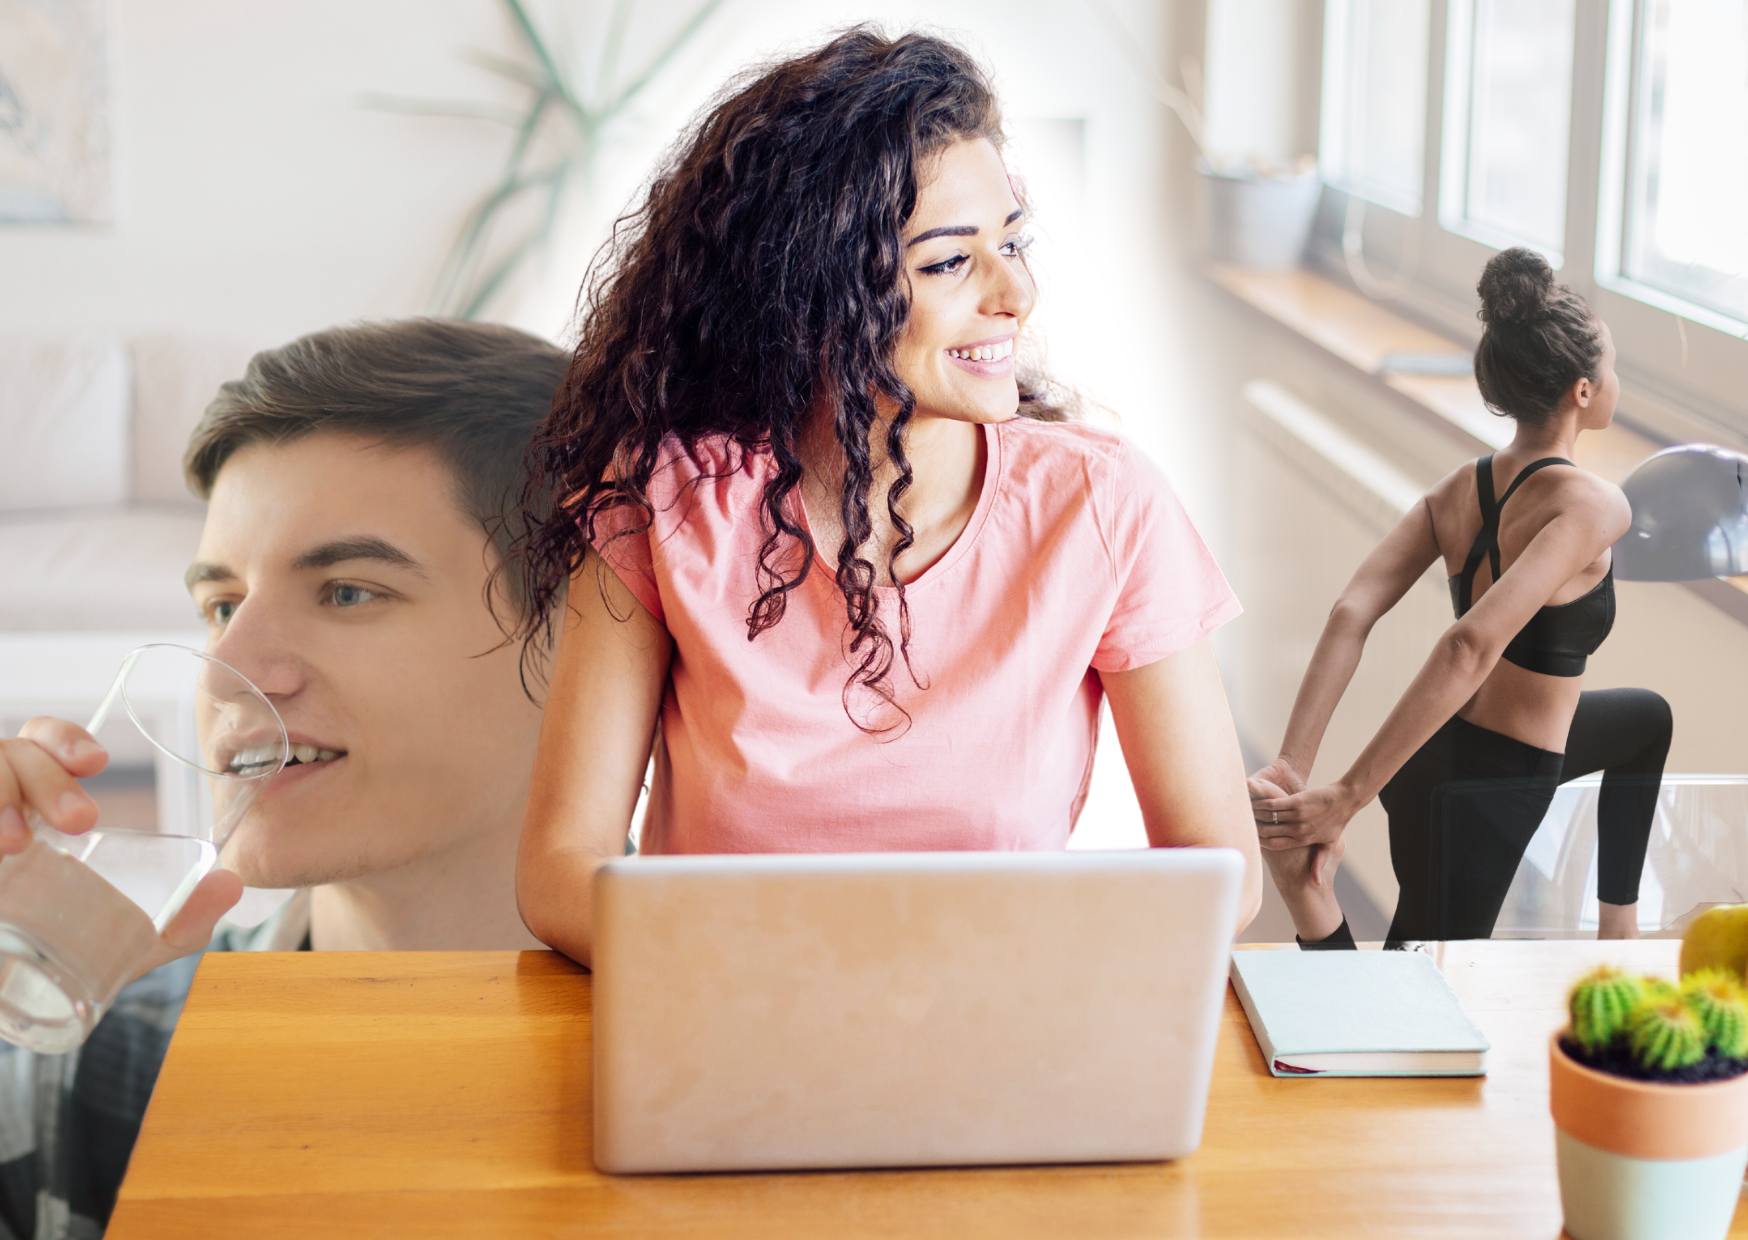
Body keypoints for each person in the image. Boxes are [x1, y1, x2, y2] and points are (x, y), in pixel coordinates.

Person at [506, 27, 1263, 968]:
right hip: (728, 1015)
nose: (1015, 293)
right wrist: (775, 962)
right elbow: (558, 868)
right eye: (950, 262)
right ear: (812, 291)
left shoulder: (1102, 506)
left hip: (997, 1018)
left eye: (1013, 243)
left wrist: (993, 959)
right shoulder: (666, 502)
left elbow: (1220, 872)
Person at [0, 319, 563, 1240]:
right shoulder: (98, 1064)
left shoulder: (734, 1061)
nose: (226, 670)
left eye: (347, 591)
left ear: (583, 638)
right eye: (221, 605)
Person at [1250, 248, 1673, 948]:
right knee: (1413, 1002)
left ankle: (1618, 932)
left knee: (1645, 724)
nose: (1614, 378)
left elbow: (1351, 612)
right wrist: (1343, 798)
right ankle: (1306, 895)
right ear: (1583, 391)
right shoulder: (1593, 507)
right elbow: (1470, 644)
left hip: (1445, 760)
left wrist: (1294, 760)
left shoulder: (1457, 490)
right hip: (1483, 793)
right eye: (1612, 367)